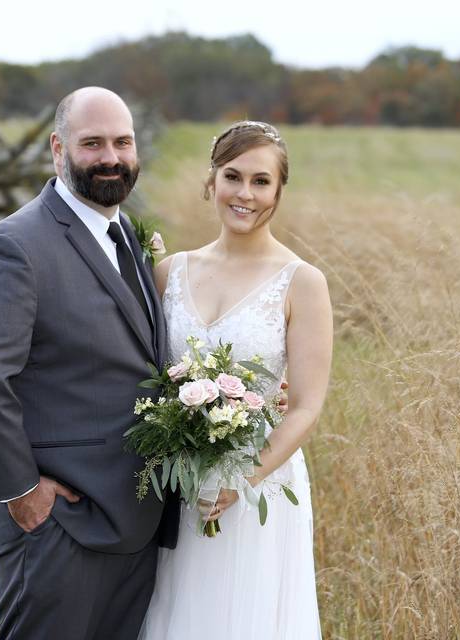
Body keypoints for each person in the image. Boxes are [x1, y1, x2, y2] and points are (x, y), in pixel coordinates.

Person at [0, 87, 179, 639]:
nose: (111, 158)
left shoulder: (127, 239)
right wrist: (20, 491)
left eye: (122, 142)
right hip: (58, 526)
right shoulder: (18, 244)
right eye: (92, 143)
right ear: (58, 149)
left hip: (133, 523)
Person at [139, 121, 332, 639]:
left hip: (258, 482)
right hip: (180, 482)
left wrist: (239, 479)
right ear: (212, 181)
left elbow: (307, 406)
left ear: (279, 190)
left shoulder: (303, 283)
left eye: (262, 181)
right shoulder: (168, 273)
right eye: (233, 176)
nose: (245, 193)